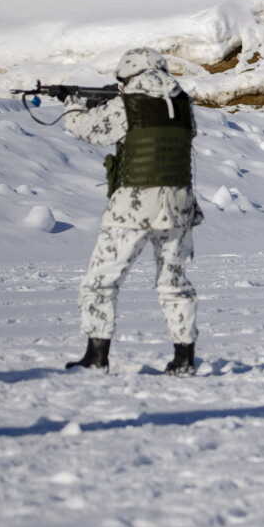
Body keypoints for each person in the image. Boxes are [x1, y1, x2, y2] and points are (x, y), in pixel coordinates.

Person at [63, 48, 204, 375]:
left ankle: (97, 356)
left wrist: (72, 104)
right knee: (174, 283)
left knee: (101, 280)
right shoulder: (183, 104)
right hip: (180, 204)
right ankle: (184, 359)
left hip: (134, 207)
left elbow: (87, 130)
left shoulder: (127, 103)